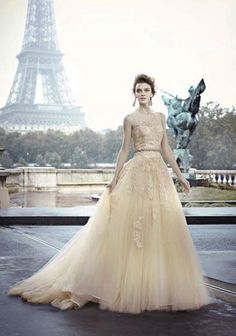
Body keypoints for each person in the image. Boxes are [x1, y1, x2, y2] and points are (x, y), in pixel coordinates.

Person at [7, 74, 212, 314]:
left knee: (159, 227)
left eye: (146, 90)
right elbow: (124, 149)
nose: (142, 93)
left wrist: (179, 175)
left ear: (152, 93)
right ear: (134, 94)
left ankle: (155, 286)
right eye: (138, 90)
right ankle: (129, 286)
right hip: (137, 173)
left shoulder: (160, 117)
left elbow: (166, 148)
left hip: (158, 174)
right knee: (134, 227)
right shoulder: (130, 119)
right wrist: (115, 179)